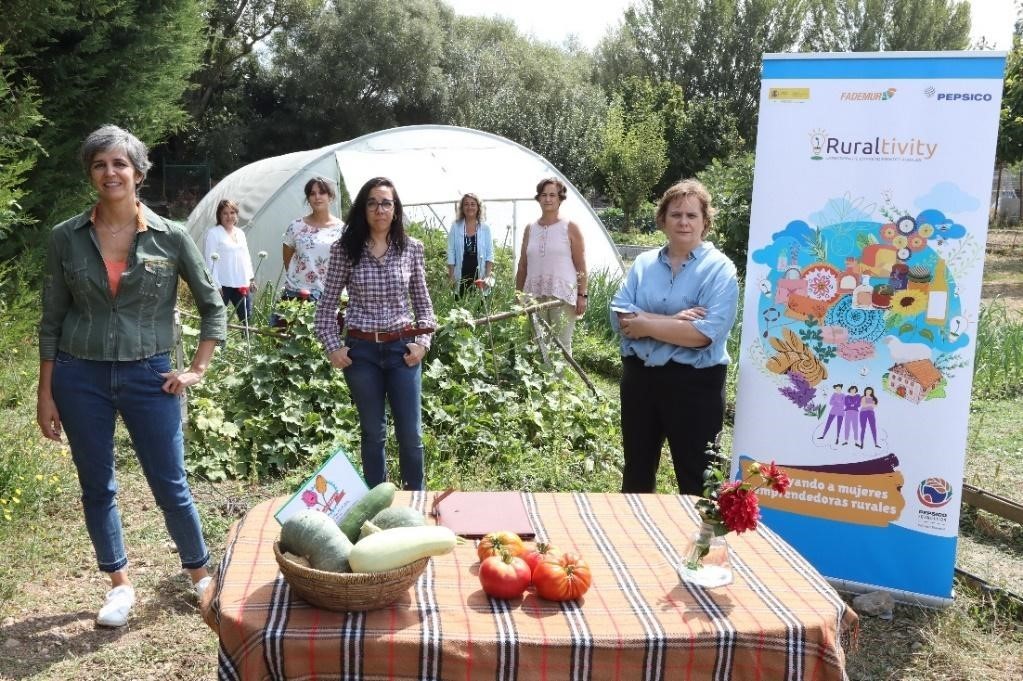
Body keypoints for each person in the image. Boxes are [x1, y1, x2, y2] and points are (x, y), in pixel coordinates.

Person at [36, 125, 227, 628]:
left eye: (119, 163)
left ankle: (200, 574)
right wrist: (46, 392)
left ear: (138, 172)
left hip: (152, 376)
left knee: (171, 484)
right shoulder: (65, 238)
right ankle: (119, 585)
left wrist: (196, 369)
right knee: (97, 486)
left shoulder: (172, 236)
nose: (110, 172)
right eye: (99, 164)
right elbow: (51, 319)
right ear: (91, 174)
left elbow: (214, 308)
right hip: (80, 378)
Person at [611, 179, 739, 495]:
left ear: (705, 222)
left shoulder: (720, 270)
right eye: (676, 214)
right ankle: (635, 542)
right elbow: (621, 319)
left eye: (692, 215)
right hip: (640, 381)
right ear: (663, 220)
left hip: (695, 386)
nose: (683, 222)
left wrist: (647, 323)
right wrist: (671, 322)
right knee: (637, 473)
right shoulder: (642, 265)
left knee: (698, 479)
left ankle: (700, 545)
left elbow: (702, 334)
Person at [314, 177, 436, 491]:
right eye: (372, 202)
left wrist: (422, 343)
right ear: (363, 209)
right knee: (372, 432)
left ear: (395, 210)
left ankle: (414, 501)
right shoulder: (346, 249)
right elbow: (326, 306)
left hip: (402, 352)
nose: (379, 209)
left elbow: (424, 304)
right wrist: (333, 347)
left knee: (410, 433)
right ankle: (375, 502)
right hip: (362, 352)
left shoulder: (411, 248)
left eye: (386, 203)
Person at [515, 177, 587, 351]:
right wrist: (518, 295)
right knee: (537, 344)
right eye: (544, 195)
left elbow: (581, 266)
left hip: (562, 294)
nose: (548, 199)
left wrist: (582, 296)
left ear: (560, 198)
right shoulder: (530, 229)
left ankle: (560, 379)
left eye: (553, 195)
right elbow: (523, 265)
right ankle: (540, 379)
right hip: (533, 294)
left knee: (560, 345)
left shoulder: (570, 227)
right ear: (538, 198)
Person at [281, 177, 345, 302]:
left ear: (330, 197)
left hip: (329, 296)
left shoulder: (342, 229)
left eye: (322, 192)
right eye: (312, 193)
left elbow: (344, 264)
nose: (317, 197)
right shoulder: (295, 226)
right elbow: (287, 259)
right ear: (308, 199)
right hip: (296, 294)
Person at [204, 199, 255, 324]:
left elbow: (246, 257)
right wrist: (215, 285)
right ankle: (218, 343)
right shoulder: (214, 234)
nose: (229, 216)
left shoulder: (240, 233)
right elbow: (210, 261)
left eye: (232, 213)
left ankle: (246, 342)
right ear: (219, 216)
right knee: (217, 319)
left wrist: (251, 279)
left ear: (236, 215)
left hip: (241, 283)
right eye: (225, 213)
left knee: (247, 319)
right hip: (223, 284)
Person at [446, 193, 495, 297]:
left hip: (479, 275)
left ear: (478, 207)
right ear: (462, 208)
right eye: (466, 204)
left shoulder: (485, 228)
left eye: (473, 204)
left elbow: (490, 254)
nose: (469, 207)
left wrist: (487, 276)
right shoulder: (455, 226)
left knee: (479, 305)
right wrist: (451, 276)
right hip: (461, 274)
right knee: (459, 305)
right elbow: (451, 252)